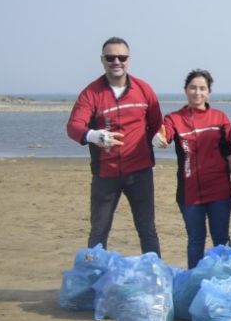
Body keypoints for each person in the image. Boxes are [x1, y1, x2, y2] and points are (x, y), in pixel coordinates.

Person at [66, 37, 162, 254]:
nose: (116, 61)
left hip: (140, 173)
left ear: (129, 60)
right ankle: (94, 276)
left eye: (122, 57)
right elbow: (73, 126)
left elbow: (157, 124)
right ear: (102, 60)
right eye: (110, 57)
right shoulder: (92, 93)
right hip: (105, 175)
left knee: (147, 229)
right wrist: (93, 135)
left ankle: (155, 277)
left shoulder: (143, 89)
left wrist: (158, 136)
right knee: (99, 230)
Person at [153, 69, 231, 268]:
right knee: (196, 240)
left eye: (202, 88)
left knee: (221, 238)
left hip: (219, 190)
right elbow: (164, 136)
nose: (197, 92)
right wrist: (158, 139)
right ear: (186, 90)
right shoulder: (174, 118)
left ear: (208, 92)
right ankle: (193, 281)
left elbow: (229, 151)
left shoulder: (219, 118)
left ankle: (227, 277)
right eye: (193, 88)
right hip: (189, 192)